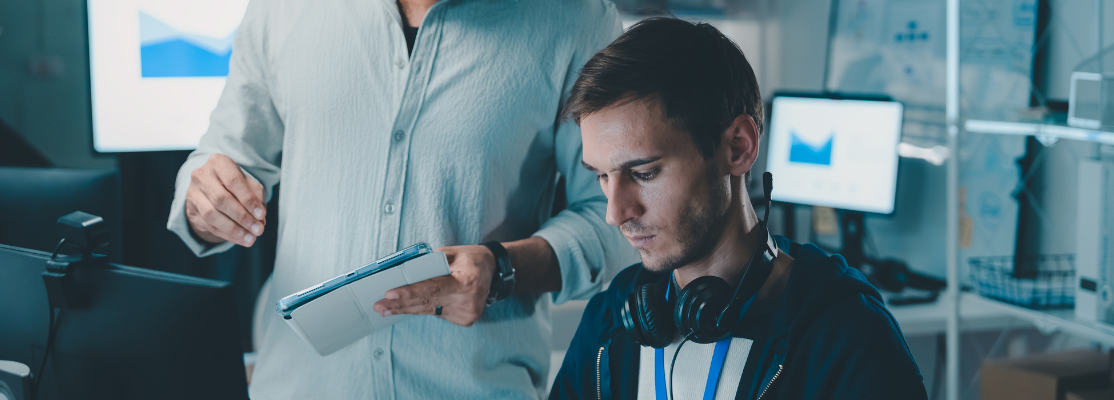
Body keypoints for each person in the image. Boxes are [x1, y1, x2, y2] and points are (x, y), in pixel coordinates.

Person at [165, 0, 635, 398]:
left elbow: (615, 216)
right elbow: (222, 159)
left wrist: (502, 268)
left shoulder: (576, 18)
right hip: (299, 385)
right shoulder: (281, 9)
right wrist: (207, 202)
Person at [549, 17, 927, 400]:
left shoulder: (845, 334)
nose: (615, 213)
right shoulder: (609, 323)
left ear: (738, 148)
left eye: (644, 173)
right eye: (602, 176)